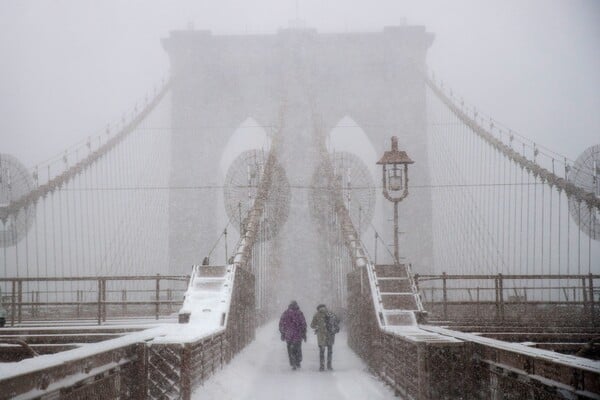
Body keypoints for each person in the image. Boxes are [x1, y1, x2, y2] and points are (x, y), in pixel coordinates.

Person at [310, 304, 340, 371]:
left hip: (321, 336)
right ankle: (329, 366)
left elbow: (312, 325)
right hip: (330, 335)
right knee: (330, 351)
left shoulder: (317, 314)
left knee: (322, 352)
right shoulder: (330, 313)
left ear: (318, 308)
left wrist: (317, 327)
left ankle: (322, 366)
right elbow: (337, 321)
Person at [279, 300, 307, 370]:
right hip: (298, 334)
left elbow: (281, 324)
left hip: (288, 335)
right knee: (298, 349)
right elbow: (303, 324)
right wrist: (304, 334)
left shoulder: (285, 313)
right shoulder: (299, 313)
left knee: (290, 349)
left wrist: (282, 333)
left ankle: (292, 363)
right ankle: (298, 362)